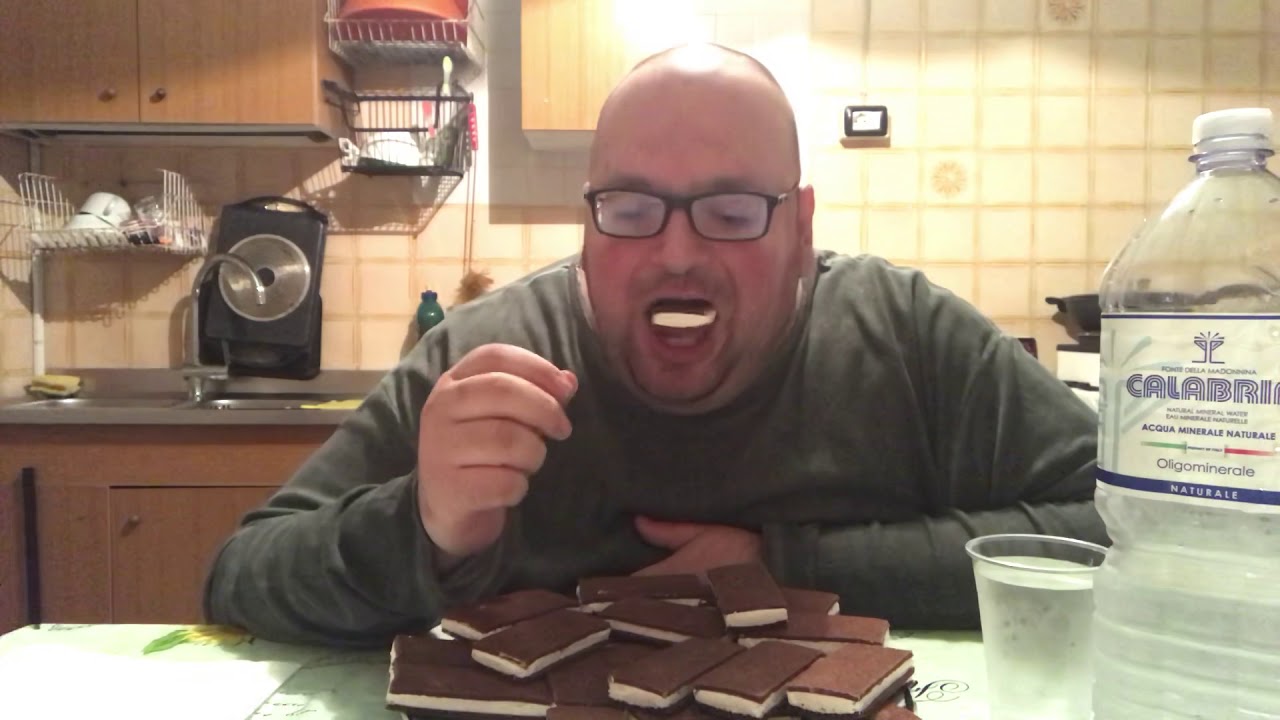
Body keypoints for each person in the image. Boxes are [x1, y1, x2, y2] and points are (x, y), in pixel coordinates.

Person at [203, 43, 1106, 648]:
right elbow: (241, 576)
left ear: (800, 229)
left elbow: (1132, 536)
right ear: (587, 227)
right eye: (631, 210)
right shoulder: (488, 355)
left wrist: (785, 570)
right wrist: (424, 528)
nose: (676, 255)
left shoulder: (907, 337)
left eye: (732, 212)